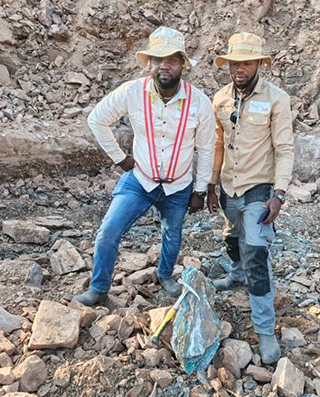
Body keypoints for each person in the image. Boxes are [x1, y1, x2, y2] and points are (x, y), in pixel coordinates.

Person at [73, 27, 215, 306]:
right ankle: (99, 288)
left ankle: (165, 275)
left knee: (172, 234)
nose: (164, 66)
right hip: (140, 179)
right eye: (158, 59)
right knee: (109, 231)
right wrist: (119, 157)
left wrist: (199, 190)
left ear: (182, 65)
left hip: (178, 185)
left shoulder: (199, 102)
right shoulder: (133, 91)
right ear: (150, 63)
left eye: (171, 60)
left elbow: (207, 148)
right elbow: (97, 119)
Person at [207, 32, 294, 365]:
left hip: (259, 188)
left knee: (256, 253)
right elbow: (217, 145)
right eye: (234, 63)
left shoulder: (276, 99)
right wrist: (211, 185)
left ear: (259, 63)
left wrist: (279, 193)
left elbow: (284, 149)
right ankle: (236, 273)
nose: (239, 69)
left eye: (246, 63)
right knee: (232, 238)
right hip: (228, 186)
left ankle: (265, 329)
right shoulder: (220, 99)